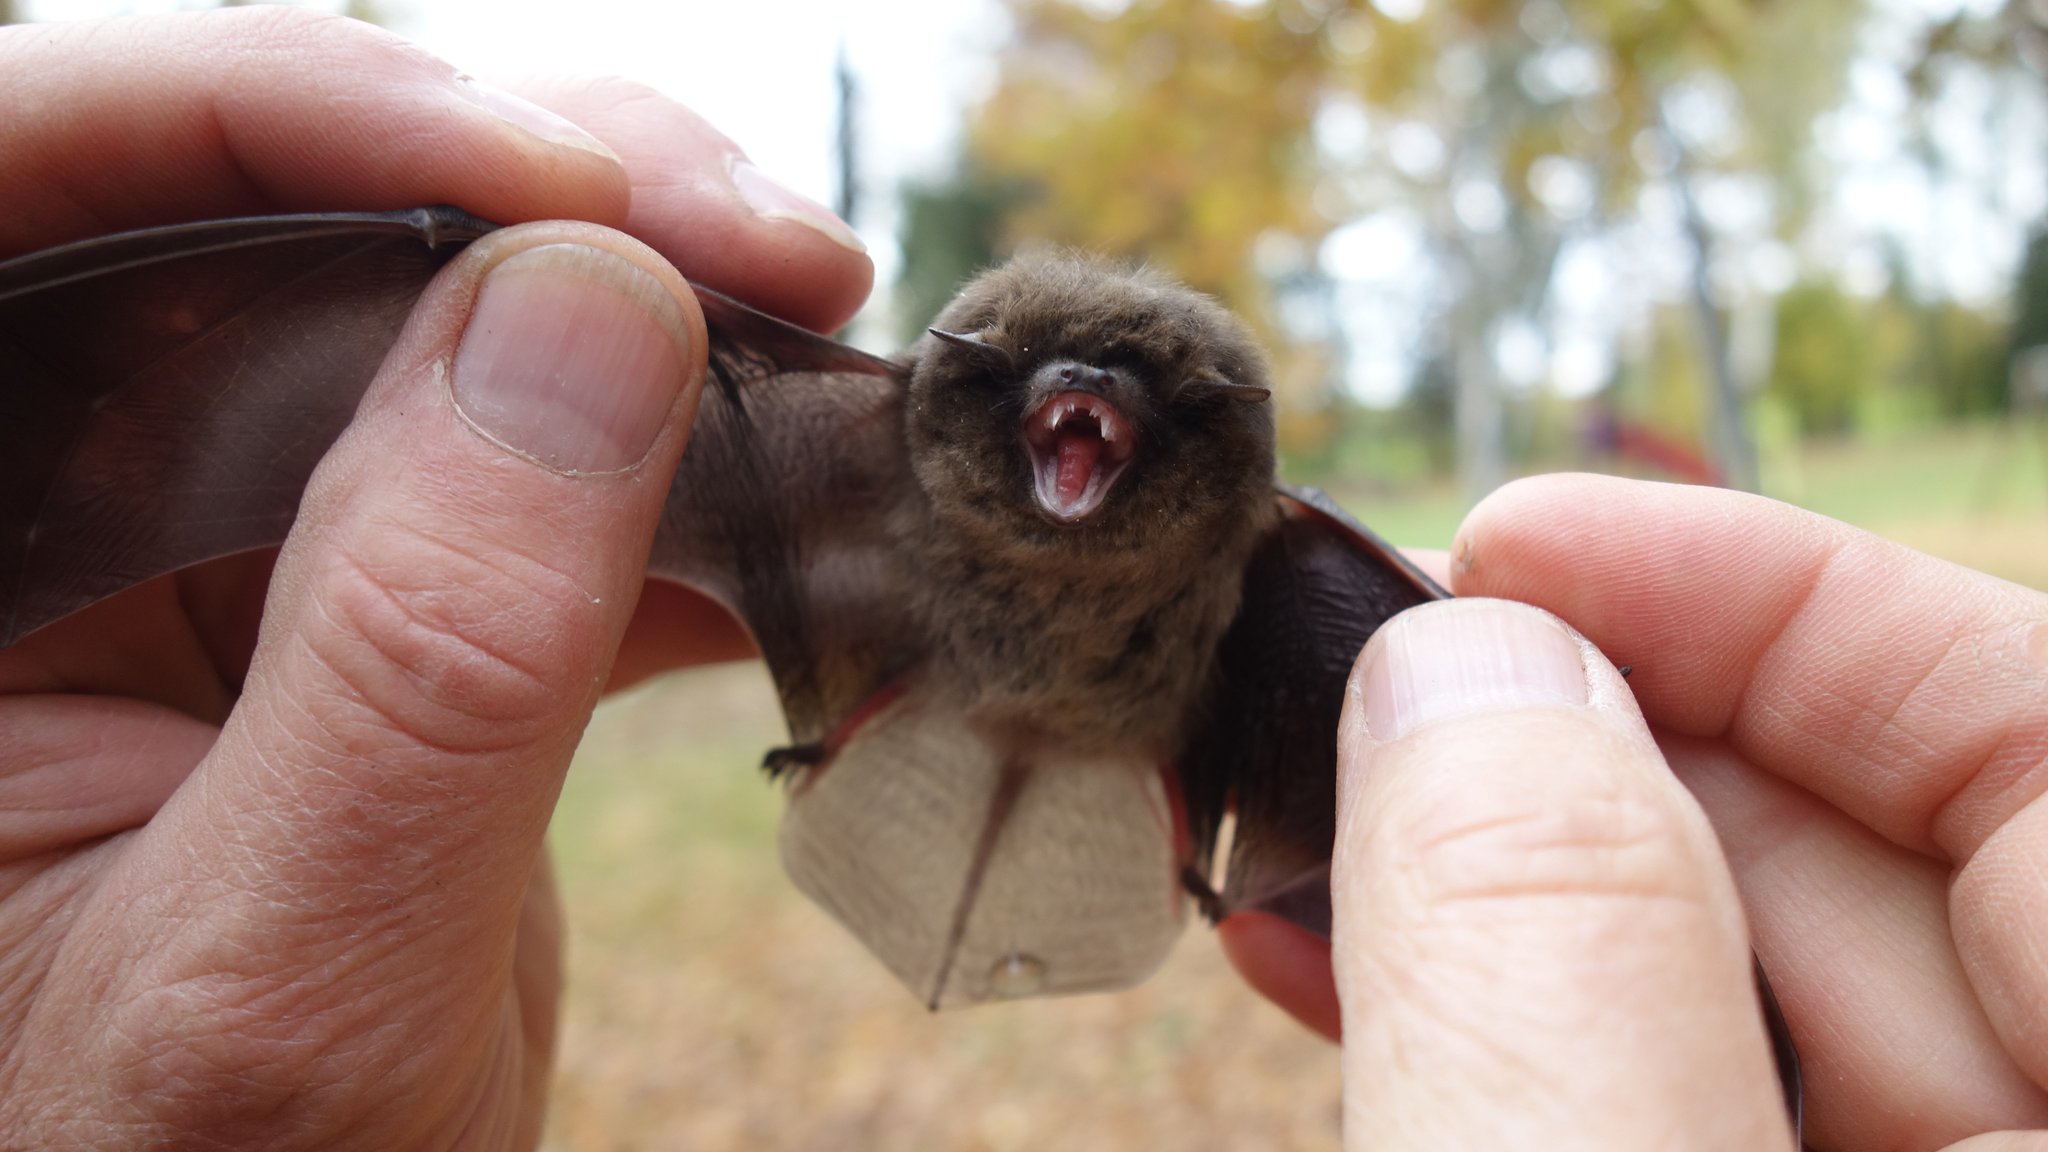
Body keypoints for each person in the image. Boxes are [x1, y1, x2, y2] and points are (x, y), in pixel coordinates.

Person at [1, 8, 2042, 1149]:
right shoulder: (835, 436)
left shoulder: (1281, 574)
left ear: (1201, 442)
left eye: (1134, 409)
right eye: (1049, 396)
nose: (1087, 417)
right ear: (972, 399)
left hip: (1133, 753)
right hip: (924, 693)